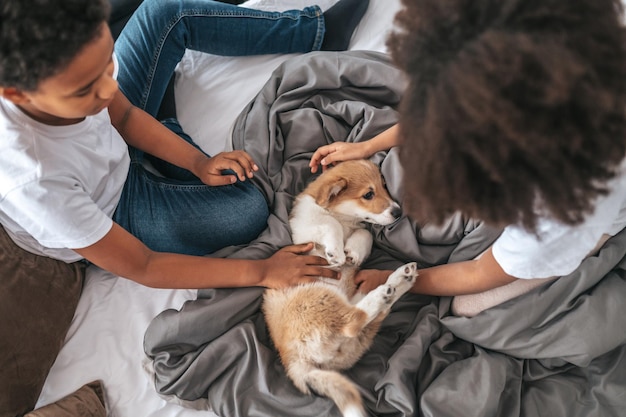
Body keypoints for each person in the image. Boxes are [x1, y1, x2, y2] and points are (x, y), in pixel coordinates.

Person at [0, 0, 369, 414]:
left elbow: (120, 113)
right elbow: (142, 265)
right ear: (15, 93)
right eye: (86, 88)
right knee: (246, 209)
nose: (107, 88)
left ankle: (316, 32)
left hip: (115, 154)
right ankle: (165, 130)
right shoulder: (33, 181)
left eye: (108, 63)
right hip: (113, 208)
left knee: (164, 12)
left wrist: (198, 162)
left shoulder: (83, 83)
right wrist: (262, 271)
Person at [309, 0, 626, 314]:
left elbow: (480, 273)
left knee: (466, 310)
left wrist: (393, 280)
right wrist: (366, 147)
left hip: (590, 214)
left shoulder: (562, 210)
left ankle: (596, 244)